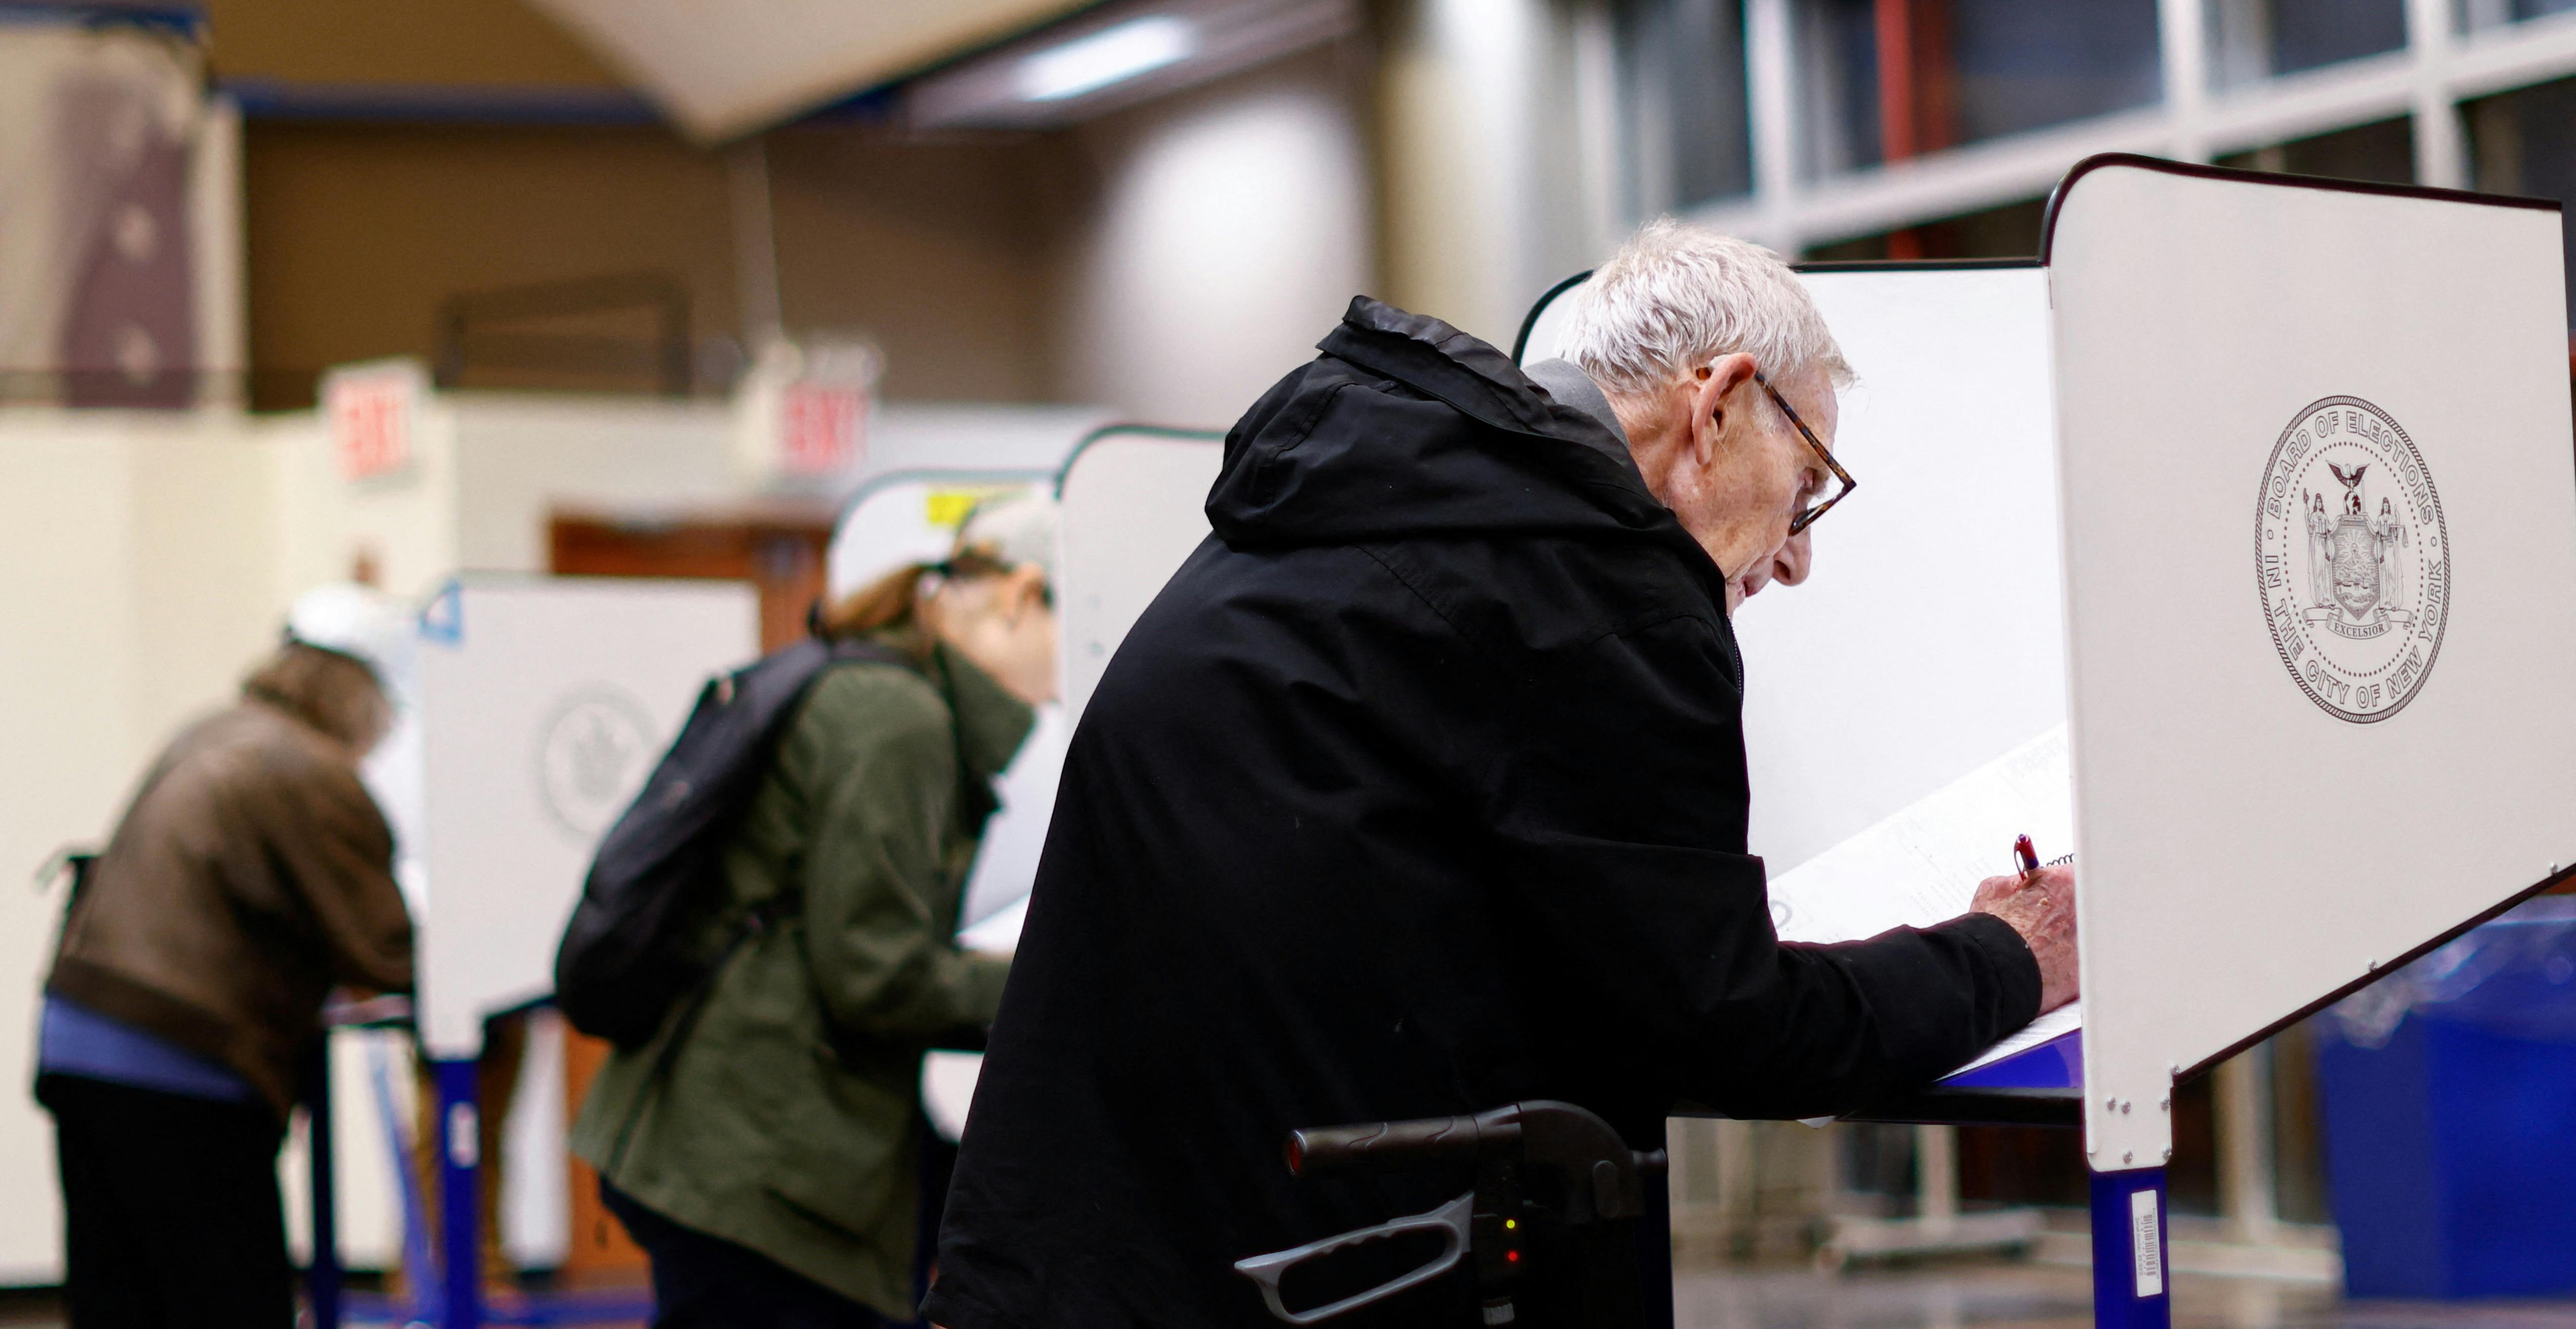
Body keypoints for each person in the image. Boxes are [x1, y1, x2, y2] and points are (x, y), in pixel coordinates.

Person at [925, 222, 2079, 1329]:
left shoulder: (1356, 508)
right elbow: (1724, 1028)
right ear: (1719, 405)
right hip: (1293, 1280)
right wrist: (2006, 955)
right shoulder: (1592, 603)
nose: (1796, 553)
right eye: (1810, 481)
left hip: (1071, 1254)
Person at [573, 495, 1059, 1329]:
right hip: (753, 1159)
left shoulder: (881, 689)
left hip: (729, 1137)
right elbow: (874, 973)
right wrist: (1054, 986)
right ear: (1020, 596)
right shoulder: (898, 719)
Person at [36, 584, 417, 1329]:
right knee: (231, 1303)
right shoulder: (310, 771)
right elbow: (384, 946)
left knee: (120, 1300)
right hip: (179, 1062)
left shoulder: (215, 730)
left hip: (79, 1036)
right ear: (363, 694)